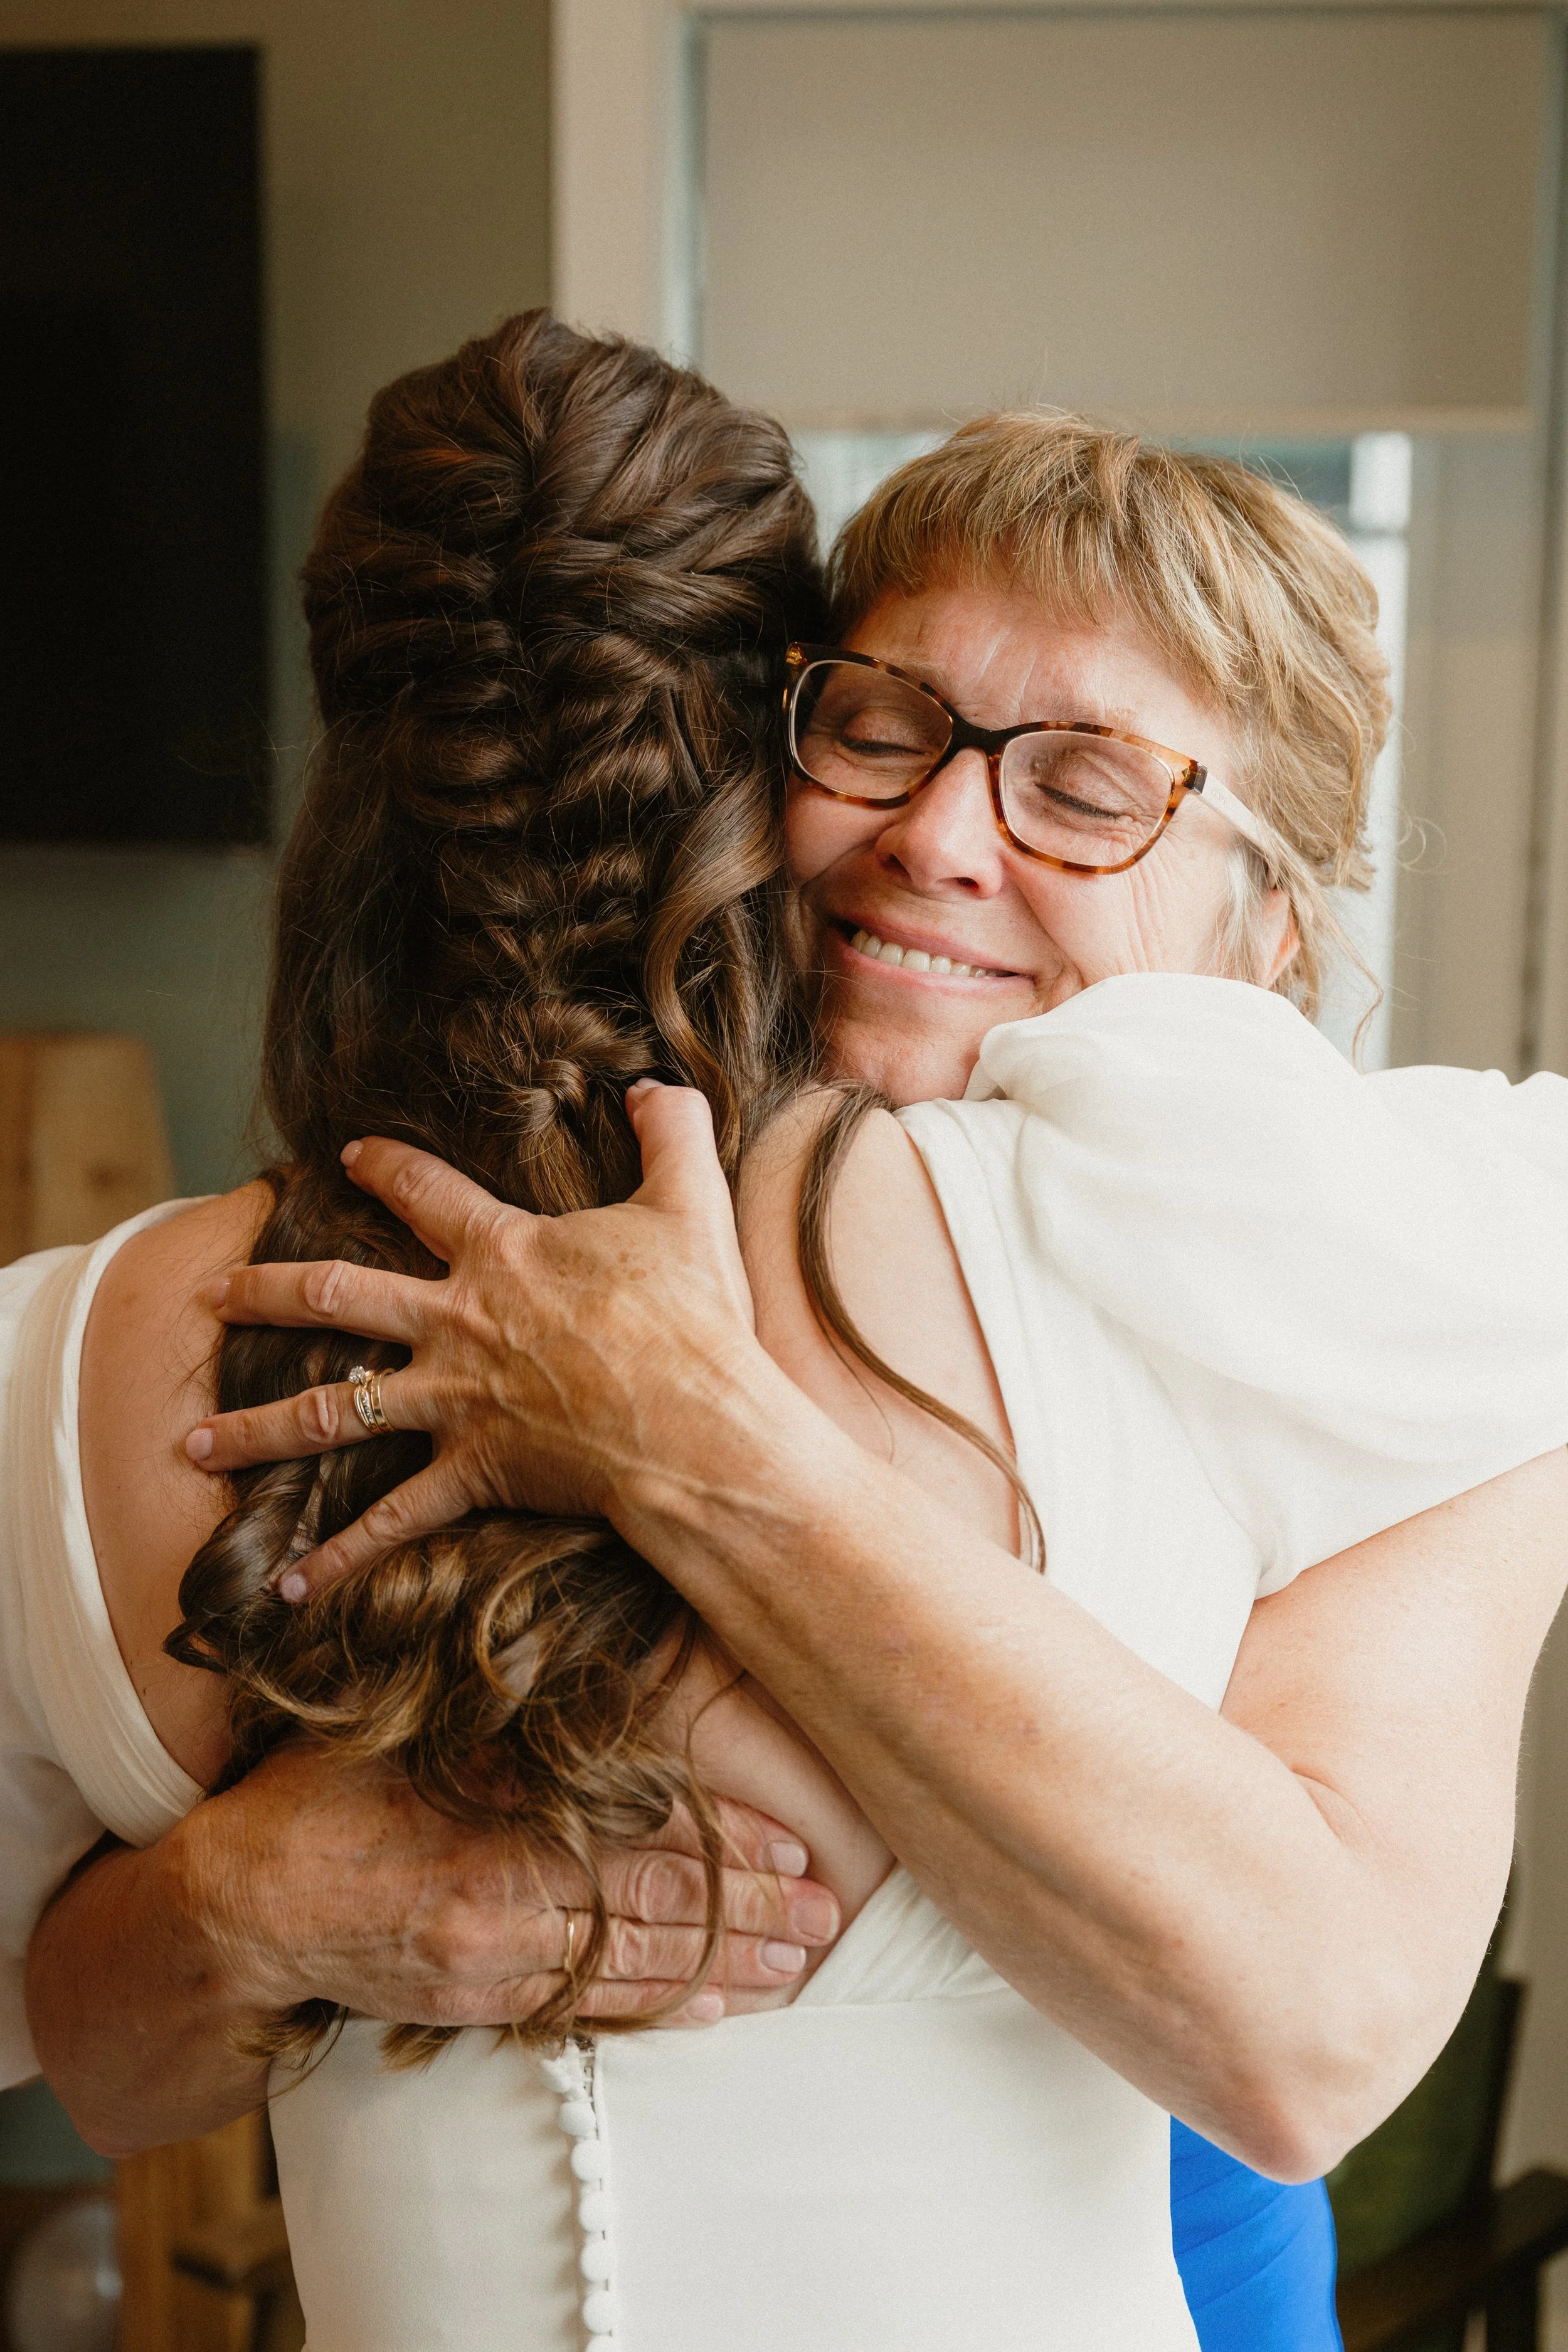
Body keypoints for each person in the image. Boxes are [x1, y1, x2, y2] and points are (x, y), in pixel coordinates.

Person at [17, 328, 1568, 2347]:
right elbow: (105, 2051)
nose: (935, 836)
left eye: (1083, 786)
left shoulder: (1392, 1293)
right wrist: (251, 1901)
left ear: (1270, 924)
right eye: (879, 729)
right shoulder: (414, 1257)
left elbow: (1307, 2043)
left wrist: (688, 1434)